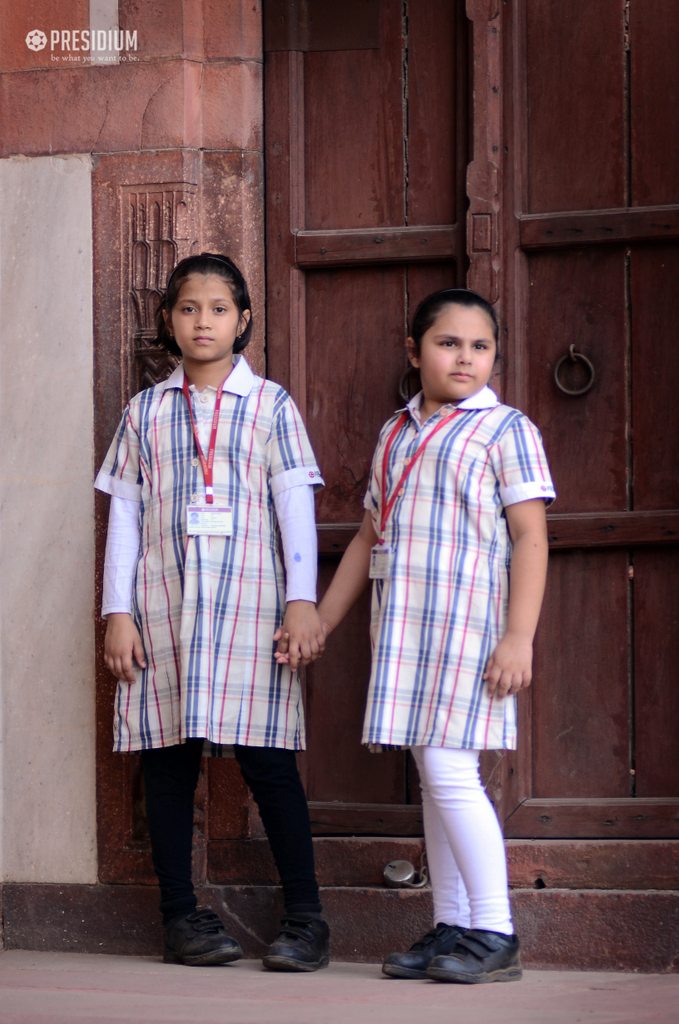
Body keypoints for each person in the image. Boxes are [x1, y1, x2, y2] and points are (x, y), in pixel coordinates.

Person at [282, 288, 554, 983]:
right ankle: (455, 923)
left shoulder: (506, 430)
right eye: (447, 343)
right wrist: (320, 616)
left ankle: (495, 930)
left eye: (479, 346)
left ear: (493, 355)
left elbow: (528, 538)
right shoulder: (394, 432)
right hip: (406, 629)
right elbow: (372, 534)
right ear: (415, 352)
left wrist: (517, 636)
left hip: (469, 630)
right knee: (433, 781)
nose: (464, 357)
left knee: (448, 770)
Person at [96, 253, 330, 971]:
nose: (204, 321)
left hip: (252, 614)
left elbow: (295, 509)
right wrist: (117, 613)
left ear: (244, 319)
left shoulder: (272, 407)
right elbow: (126, 519)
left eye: (219, 308)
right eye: (189, 308)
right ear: (168, 319)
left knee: (269, 763)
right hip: (163, 613)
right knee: (168, 765)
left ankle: (306, 920)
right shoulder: (145, 413)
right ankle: (180, 917)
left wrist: (300, 603)